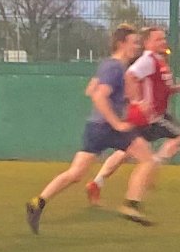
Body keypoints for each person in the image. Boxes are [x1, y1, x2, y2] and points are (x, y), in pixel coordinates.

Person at [25, 24, 157, 233]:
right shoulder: (114, 67)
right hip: (108, 127)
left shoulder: (109, 65)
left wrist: (125, 100)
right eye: (134, 43)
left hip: (95, 127)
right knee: (147, 158)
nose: (137, 47)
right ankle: (131, 205)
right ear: (121, 44)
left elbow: (91, 89)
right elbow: (98, 95)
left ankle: (37, 202)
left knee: (76, 173)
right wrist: (117, 122)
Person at [85, 26, 180, 205]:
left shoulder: (158, 60)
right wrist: (136, 101)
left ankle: (97, 183)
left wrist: (176, 89)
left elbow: (158, 86)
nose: (163, 41)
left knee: (124, 152)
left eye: (163, 38)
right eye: (158, 39)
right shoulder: (147, 60)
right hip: (152, 116)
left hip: (150, 114)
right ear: (147, 42)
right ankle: (153, 165)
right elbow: (131, 75)